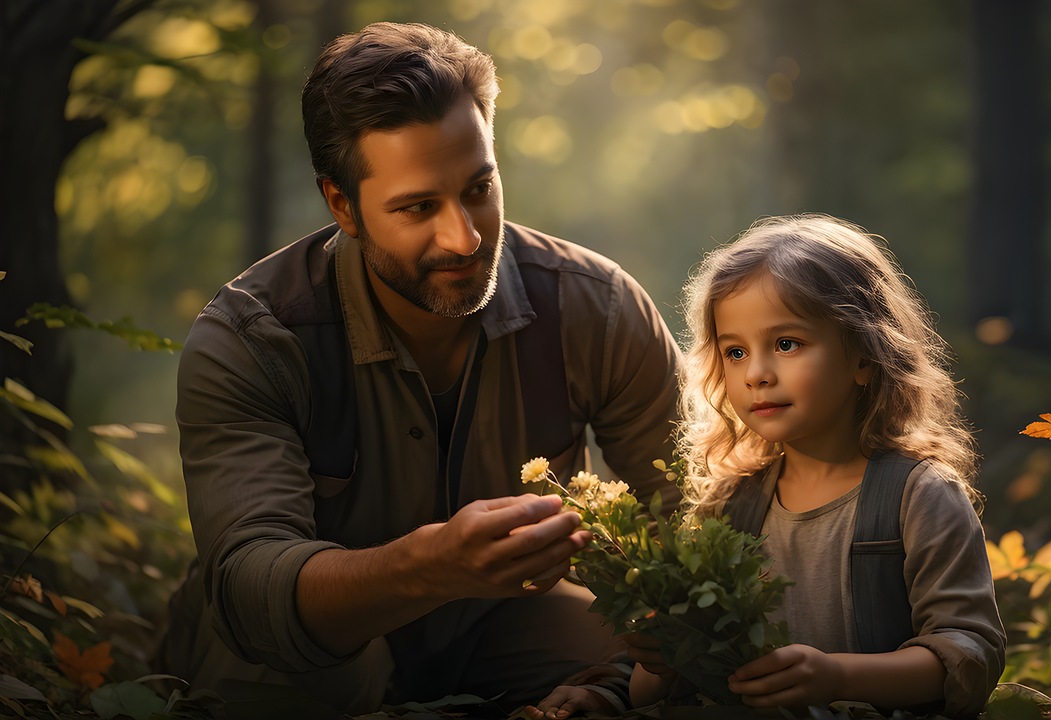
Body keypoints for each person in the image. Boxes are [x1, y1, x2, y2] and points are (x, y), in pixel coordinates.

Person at [161, 22, 681, 714]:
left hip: (501, 625)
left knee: (660, 655)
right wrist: (429, 566)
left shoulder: (599, 310)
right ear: (342, 205)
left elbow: (697, 518)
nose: (464, 237)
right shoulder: (253, 341)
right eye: (417, 207)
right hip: (308, 656)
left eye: (478, 189)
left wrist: (623, 682)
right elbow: (253, 591)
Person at [545, 214, 1003, 717]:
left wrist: (836, 676)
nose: (757, 374)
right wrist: (661, 663)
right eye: (736, 352)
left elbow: (969, 657)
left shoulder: (918, 496)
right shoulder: (730, 505)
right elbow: (675, 682)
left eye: (787, 344)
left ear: (864, 356)